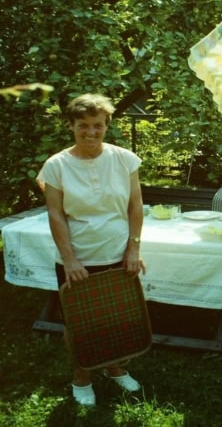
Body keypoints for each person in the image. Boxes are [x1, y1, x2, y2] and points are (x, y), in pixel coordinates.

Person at [37, 93, 146, 406]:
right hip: (78, 258)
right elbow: (55, 213)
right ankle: (82, 377)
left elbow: (135, 205)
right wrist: (69, 260)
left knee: (118, 317)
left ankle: (114, 367)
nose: (90, 132)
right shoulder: (56, 165)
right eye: (83, 125)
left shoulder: (125, 159)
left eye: (97, 125)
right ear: (71, 125)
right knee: (80, 323)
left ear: (106, 126)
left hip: (118, 253)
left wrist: (133, 249)